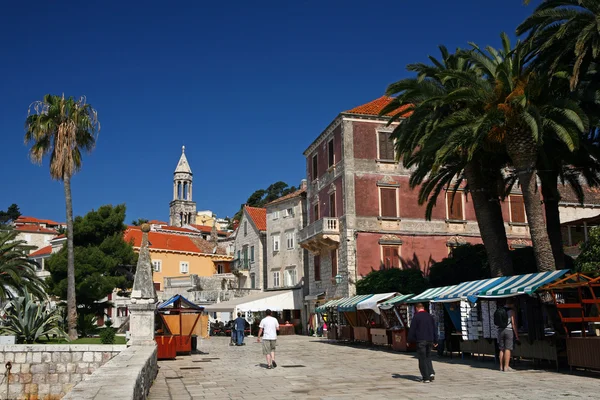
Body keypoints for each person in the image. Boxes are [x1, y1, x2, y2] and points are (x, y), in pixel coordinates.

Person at [407, 303, 438, 383]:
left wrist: (409, 340)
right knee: (428, 357)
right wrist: (435, 340)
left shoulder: (416, 317)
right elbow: (434, 328)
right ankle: (431, 372)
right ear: (423, 308)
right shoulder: (430, 316)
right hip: (430, 340)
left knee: (422, 358)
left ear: (417, 308)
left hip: (421, 340)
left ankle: (426, 377)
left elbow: (412, 329)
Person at [495, 300, 519, 372]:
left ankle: (501, 367)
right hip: (508, 330)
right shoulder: (511, 311)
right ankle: (506, 367)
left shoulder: (499, 310)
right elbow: (514, 324)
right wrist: (516, 335)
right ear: (511, 304)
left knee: (501, 349)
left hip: (500, 330)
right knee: (507, 348)